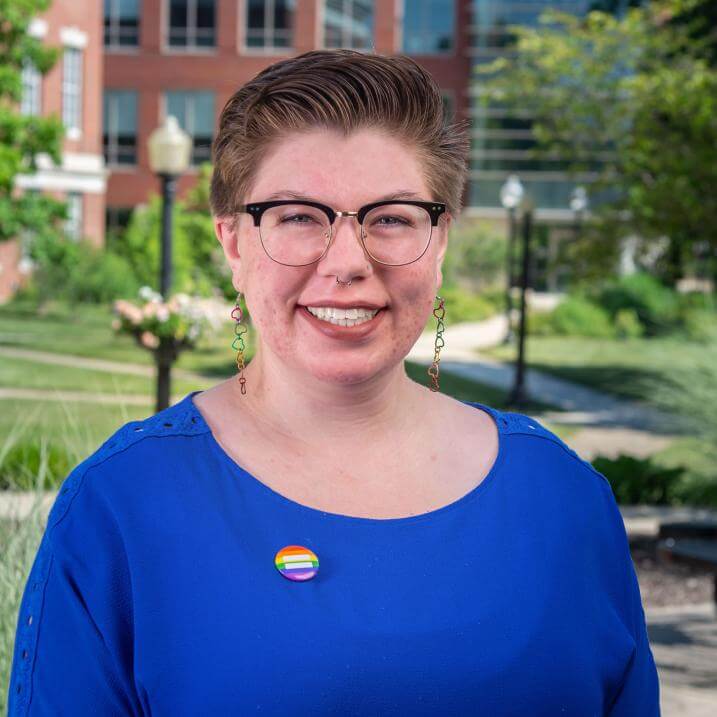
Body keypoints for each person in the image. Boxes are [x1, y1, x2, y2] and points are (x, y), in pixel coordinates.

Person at [7, 50, 660, 715]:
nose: (347, 261)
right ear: (233, 243)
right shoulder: (123, 503)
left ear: (439, 244)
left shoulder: (563, 500)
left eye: (392, 218)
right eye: (296, 216)